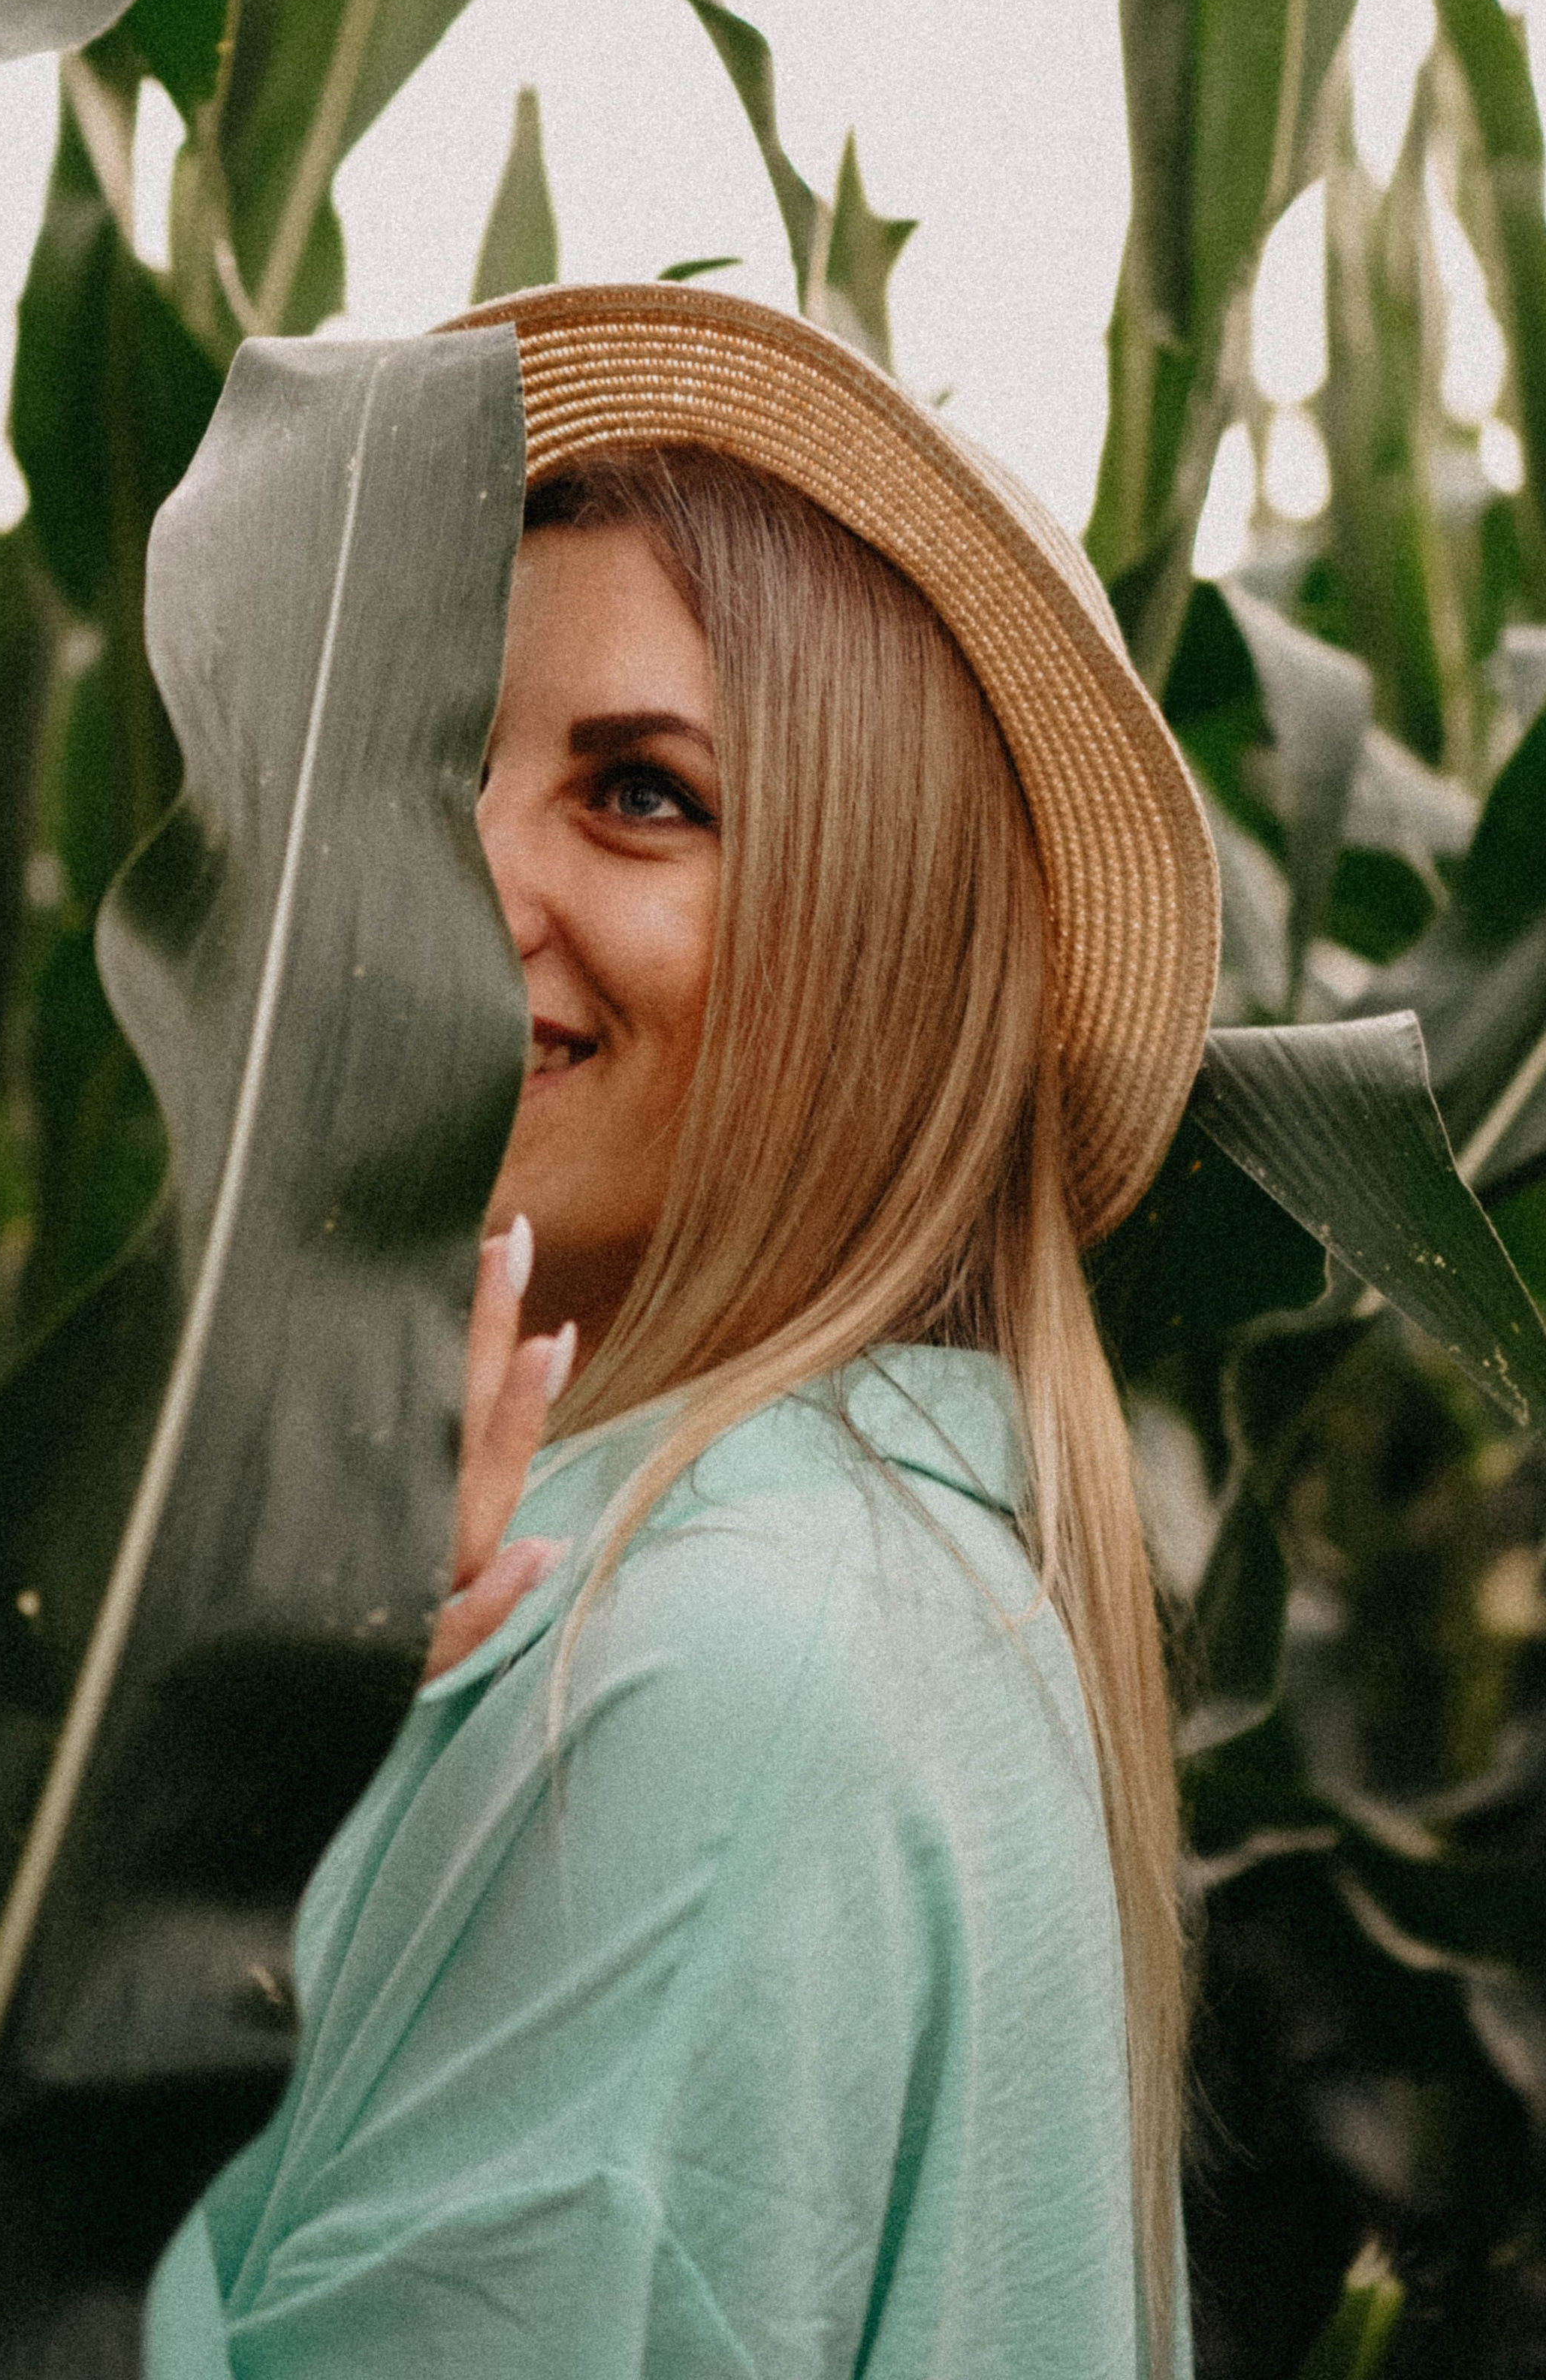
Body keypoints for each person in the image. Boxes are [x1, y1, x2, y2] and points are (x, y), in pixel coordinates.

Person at [143, 284, 1218, 2379]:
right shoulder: (876, 1581)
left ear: (881, 938)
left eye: (639, 793)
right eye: (449, 759)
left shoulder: (707, 1679)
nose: (461, 876)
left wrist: (179, 1826)